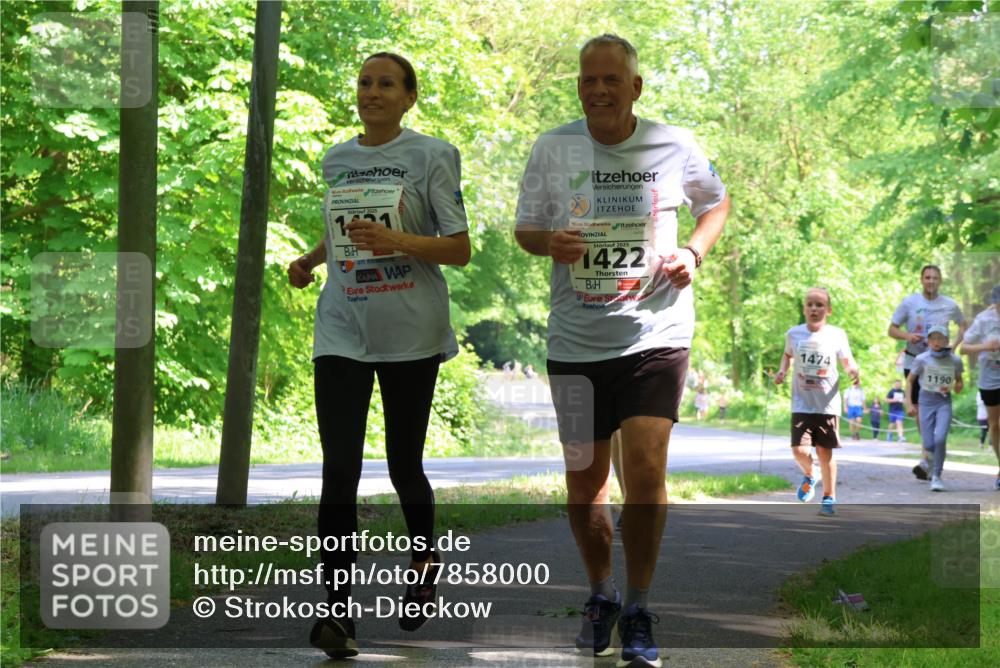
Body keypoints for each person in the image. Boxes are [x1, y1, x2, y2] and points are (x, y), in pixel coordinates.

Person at [514, 34, 729, 667]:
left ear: (635, 87)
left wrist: (693, 253)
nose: (599, 90)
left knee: (646, 469)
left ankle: (638, 606)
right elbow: (525, 229)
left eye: (611, 79)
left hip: (655, 335)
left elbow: (716, 204)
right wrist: (549, 242)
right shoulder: (553, 148)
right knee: (585, 480)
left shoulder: (673, 144)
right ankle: (600, 594)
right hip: (576, 341)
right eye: (588, 80)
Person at [286, 52, 471, 658]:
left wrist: (397, 240)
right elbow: (343, 229)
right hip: (343, 325)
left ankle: (423, 561)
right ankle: (337, 614)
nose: (372, 92)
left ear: (409, 97)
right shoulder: (337, 158)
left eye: (386, 84)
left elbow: (458, 248)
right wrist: (311, 259)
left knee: (402, 465)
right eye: (364, 82)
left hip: (410, 329)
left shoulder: (432, 155)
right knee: (339, 469)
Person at [774, 287, 859, 517]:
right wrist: (782, 371)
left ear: (828, 310)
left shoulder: (836, 335)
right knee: (799, 450)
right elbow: (787, 355)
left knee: (824, 451)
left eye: (819, 305)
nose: (814, 309)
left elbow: (847, 360)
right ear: (804, 309)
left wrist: (853, 371)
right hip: (801, 402)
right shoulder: (794, 334)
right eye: (810, 304)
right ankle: (811, 474)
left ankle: (829, 497)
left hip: (827, 404)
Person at [888, 265, 966, 476]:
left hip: (940, 364)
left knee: (938, 405)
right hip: (915, 361)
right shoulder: (910, 302)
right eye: (927, 277)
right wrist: (908, 336)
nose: (931, 281)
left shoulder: (949, 304)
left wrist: (955, 346)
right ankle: (927, 457)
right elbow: (892, 329)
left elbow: (963, 325)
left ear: (940, 281)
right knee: (919, 411)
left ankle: (929, 457)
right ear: (921, 280)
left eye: (935, 278)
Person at [906, 325, 963, 491]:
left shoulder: (954, 360)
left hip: (943, 401)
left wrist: (957, 386)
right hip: (925, 401)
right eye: (933, 338)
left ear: (946, 340)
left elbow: (959, 380)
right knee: (929, 443)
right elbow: (910, 380)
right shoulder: (921, 359)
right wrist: (909, 403)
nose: (936, 342)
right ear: (928, 341)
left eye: (940, 338)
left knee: (940, 439)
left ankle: (937, 476)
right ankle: (929, 461)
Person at [958, 284, 1000, 488]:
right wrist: (986, 346)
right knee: (995, 425)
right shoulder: (984, 319)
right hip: (990, 377)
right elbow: (963, 348)